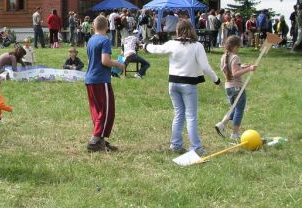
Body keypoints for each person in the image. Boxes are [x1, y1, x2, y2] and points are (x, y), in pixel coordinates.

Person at [144, 20, 221, 155]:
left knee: (178, 114)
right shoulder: (197, 46)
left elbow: (157, 49)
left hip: (173, 84)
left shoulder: (172, 44)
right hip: (189, 85)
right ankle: (196, 147)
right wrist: (217, 80)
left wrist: (146, 45)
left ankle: (175, 145)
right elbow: (205, 67)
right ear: (192, 30)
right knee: (191, 117)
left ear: (178, 31)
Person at [84, 15, 125, 152]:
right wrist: (118, 65)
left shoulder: (90, 40)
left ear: (94, 26)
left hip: (89, 79)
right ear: (107, 27)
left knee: (96, 110)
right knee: (107, 111)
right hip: (101, 80)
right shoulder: (105, 40)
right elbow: (105, 61)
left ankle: (100, 140)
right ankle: (95, 139)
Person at [214, 35, 257, 140]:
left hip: (228, 87)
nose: (239, 49)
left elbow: (227, 69)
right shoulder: (235, 57)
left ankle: (222, 124)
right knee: (239, 109)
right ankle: (235, 133)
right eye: (239, 47)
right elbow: (235, 73)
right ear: (234, 47)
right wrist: (249, 69)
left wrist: (241, 66)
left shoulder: (224, 56)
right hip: (236, 87)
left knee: (233, 108)